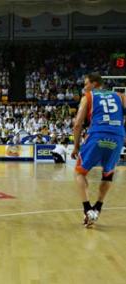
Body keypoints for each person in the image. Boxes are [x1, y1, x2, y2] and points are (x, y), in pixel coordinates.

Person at [71, 73, 126, 228]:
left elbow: (77, 124)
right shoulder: (120, 96)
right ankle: (98, 207)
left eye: (86, 83)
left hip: (97, 134)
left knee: (80, 172)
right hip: (117, 136)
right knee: (108, 174)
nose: (84, 87)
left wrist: (76, 146)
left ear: (95, 84)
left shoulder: (88, 97)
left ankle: (88, 209)